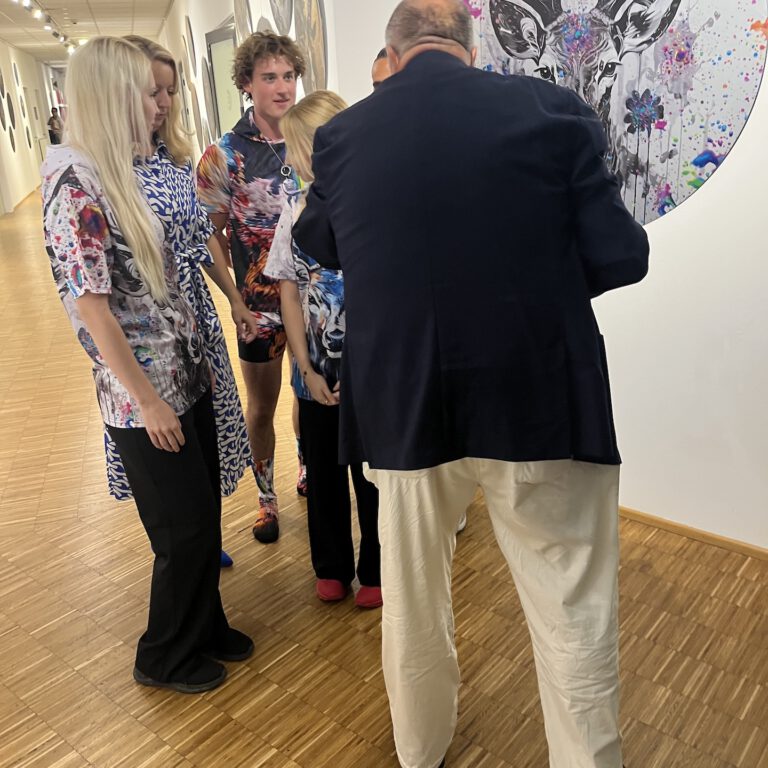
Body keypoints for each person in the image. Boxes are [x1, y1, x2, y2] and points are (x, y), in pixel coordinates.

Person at [293, 1, 649, 766]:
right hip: (539, 394)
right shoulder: (553, 110)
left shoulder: (343, 137)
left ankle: (420, 753)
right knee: (572, 608)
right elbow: (623, 256)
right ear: (473, 46)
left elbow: (318, 240)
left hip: (401, 403)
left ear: (391, 55)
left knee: (412, 604)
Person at [41, 37, 253, 694]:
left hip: (184, 371)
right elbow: (93, 309)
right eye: (146, 91)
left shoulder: (122, 171)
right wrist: (148, 401)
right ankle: (162, 655)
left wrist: (198, 361)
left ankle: (206, 627)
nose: (159, 105)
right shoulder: (74, 182)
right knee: (181, 530)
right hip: (145, 392)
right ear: (113, 95)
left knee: (203, 517)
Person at [120, 35, 258, 569]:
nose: (163, 104)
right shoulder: (106, 171)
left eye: (170, 92)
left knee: (209, 433)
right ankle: (187, 548)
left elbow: (203, 240)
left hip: (196, 319)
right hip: (150, 331)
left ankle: (206, 536)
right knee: (168, 450)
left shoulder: (175, 162)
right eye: (152, 91)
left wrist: (235, 300)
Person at [264, 91, 382, 609]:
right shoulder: (293, 210)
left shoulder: (374, 204)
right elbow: (289, 291)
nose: (289, 158)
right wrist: (305, 367)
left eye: (295, 146)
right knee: (324, 469)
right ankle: (331, 566)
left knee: (373, 476)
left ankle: (377, 568)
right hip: (314, 368)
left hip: (369, 370)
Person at [197, 31, 306, 544]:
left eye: (289, 76)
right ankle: (266, 499)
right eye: (269, 77)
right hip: (258, 306)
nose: (282, 87)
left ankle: (307, 467)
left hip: (311, 301)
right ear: (246, 83)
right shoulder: (224, 154)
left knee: (310, 394)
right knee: (261, 406)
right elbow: (207, 234)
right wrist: (235, 299)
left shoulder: (313, 138)